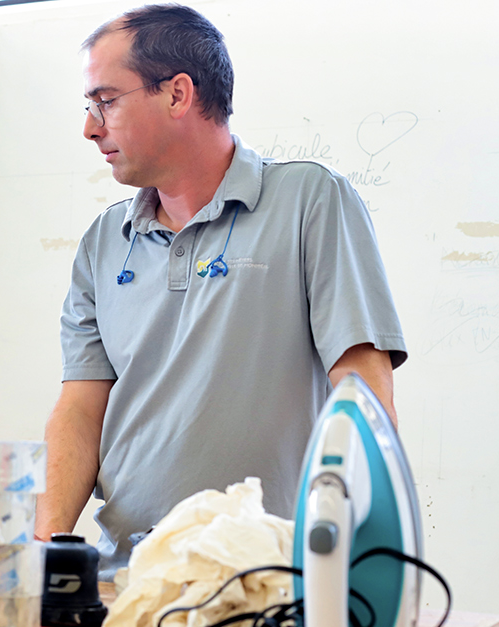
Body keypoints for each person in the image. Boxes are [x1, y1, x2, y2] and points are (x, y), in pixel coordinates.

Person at [34, 4, 407, 579]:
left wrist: (354, 562)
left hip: (272, 580)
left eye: (105, 101)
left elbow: (362, 386)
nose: (90, 126)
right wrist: (43, 552)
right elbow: (82, 407)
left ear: (178, 94)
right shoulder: (105, 239)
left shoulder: (311, 199)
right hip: (128, 578)